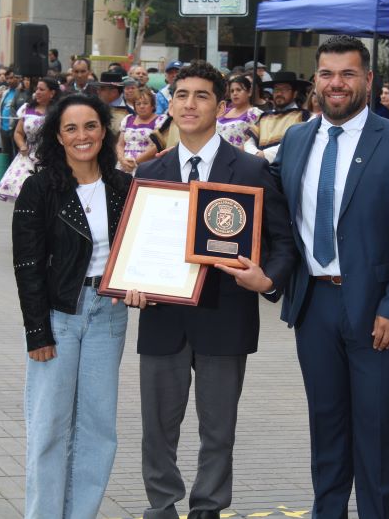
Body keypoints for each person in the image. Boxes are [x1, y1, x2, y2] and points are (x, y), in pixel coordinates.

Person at [271, 35, 389, 519]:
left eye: (347, 74)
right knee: (326, 428)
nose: (336, 83)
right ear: (315, 82)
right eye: (326, 74)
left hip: (377, 311)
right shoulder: (298, 138)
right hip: (313, 305)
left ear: (367, 80)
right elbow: (271, 210)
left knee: (375, 431)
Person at [126, 60, 296, 519]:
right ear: (171, 103)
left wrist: (269, 279)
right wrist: (130, 286)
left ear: (221, 106)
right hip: (163, 317)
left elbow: (283, 243)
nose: (189, 104)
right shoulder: (150, 173)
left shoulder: (252, 170)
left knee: (219, 428)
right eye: (181, 95)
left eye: (201, 96)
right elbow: (133, 250)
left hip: (227, 317)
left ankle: (208, 507)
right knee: (157, 427)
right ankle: (161, 504)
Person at [12, 92, 131, 519]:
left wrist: (138, 287)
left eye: (91, 126)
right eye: (71, 128)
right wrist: (36, 331)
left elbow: (136, 252)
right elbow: (27, 265)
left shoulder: (123, 186)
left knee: (99, 429)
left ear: (104, 129)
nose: (83, 136)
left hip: (109, 315)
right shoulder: (40, 187)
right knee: (48, 429)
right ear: (58, 138)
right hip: (60, 316)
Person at [0, 77, 60, 201]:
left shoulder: (59, 112)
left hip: (49, 157)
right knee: (23, 192)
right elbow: (18, 132)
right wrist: (22, 145)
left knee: (45, 195)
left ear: (52, 93)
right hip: (27, 156)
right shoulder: (27, 108)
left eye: (42, 89)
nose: (37, 92)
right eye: (37, 89)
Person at [245, 71, 311, 162]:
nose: (279, 93)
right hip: (259, 167)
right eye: (276, 90)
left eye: (284, 89)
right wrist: (255, 154)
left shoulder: (304, 116)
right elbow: (249, 141)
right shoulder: (264, 116)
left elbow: (295, 143)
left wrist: (265, 155)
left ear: (295, 93)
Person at [116, 86, 165, 174]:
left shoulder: (160, 120)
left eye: (145, 103)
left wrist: (135, 161)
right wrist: (122, 159)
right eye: (138, 104)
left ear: (152, 105)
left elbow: (158, 146)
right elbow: (120, 144)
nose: (141, 106)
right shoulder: (127, 119)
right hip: (124, 165)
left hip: (147, 166)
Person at [216, 76, 262, 148]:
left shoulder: (255, 113)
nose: (235, 93)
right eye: (232, 91)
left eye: (238, 90)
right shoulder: (224, 111)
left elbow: (252, 142)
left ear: (249, 92)